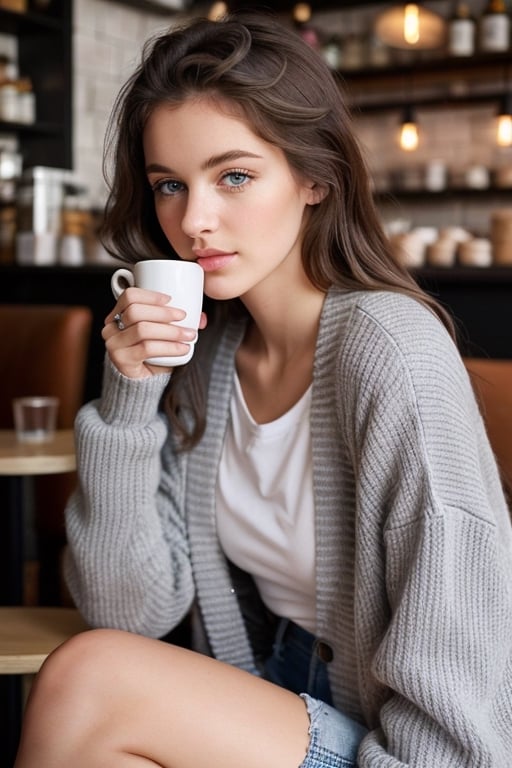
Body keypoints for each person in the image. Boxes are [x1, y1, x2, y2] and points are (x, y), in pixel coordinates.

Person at [14, 11, 512, 768]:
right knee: (95, 682)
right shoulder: (205, 356)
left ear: (315, 177)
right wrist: (128, 395)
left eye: (234, 176)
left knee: (89, 681)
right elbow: (127, 611)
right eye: (170, 186)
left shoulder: (391, 350)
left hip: (409, 743)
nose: (195, 222)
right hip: (275, 694)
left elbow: (461, 665)